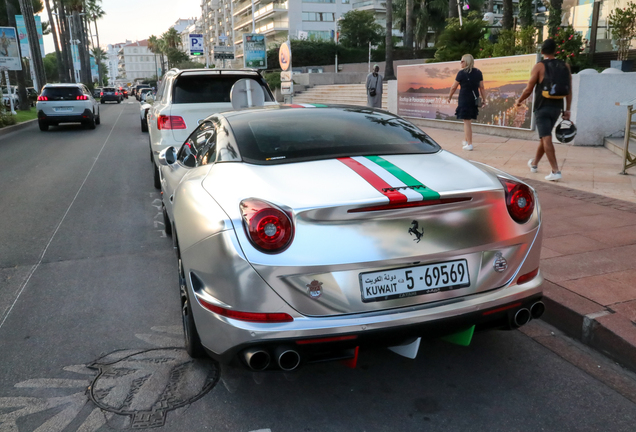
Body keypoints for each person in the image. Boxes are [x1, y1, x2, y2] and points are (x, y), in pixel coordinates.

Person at [515, 39, 572, 181]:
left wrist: (519, 100)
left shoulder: (539, 66)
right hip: (557, 107)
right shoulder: (565, 66)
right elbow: (569, 89)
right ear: (555, 50)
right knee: (544, 136)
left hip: (542, 107)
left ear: (542, 51)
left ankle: (555, 171)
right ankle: (534, 164)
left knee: (546, 137)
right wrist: (567, 109)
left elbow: (529, 89)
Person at [447, 54, 486, 151]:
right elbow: (482, 87)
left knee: (467, 122)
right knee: (467, 121)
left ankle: (470, 144)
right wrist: (484, 99)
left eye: (462, 61)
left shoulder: (461, 73)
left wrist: (449, 97)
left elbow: (453, 87)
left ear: (467, 62)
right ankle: (466, 141)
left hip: (464, 100)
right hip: (474, 100)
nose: (460, 63)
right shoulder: (478, 72)